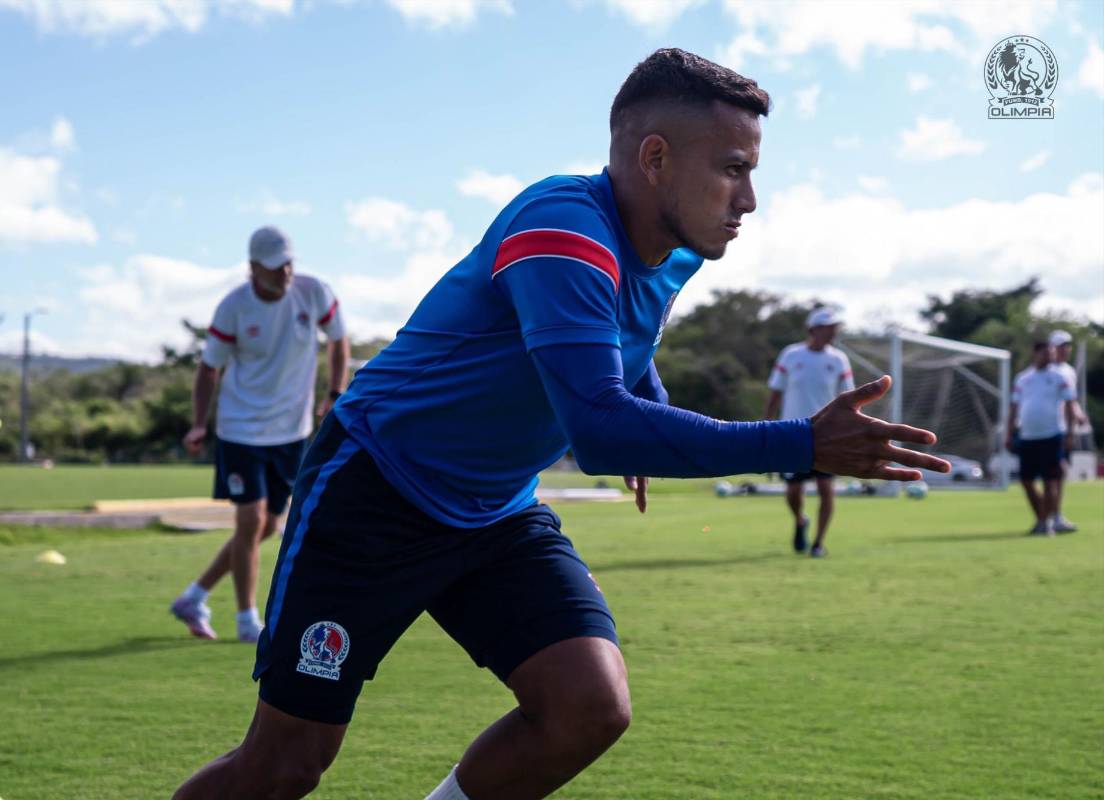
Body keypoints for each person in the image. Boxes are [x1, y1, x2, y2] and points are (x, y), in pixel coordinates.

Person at [173, 49, 947, 800]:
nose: (748, 200)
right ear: (654, 158)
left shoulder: (674, 249)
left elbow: (623, 337)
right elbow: (600, 434)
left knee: (588, 707)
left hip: (495, 509)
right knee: (284, 769)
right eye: (734, 169)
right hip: (377, 490)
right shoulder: (561, 227)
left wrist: (652, 401)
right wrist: (803, 442)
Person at [170, 225, 349, 643]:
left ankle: (194, 596)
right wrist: (199, 423)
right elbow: (208, 368)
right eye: (274, 267)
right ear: (253, 268)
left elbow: (338, 339)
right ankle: (248, 621)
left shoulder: (314, 292)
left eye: (288, 263)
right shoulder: (233, 307)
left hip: (291, 431)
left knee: (267, 525)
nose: (284, 273)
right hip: (240, 429)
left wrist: (335, 393)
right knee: (250, 522)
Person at [763, 307, 855, 558]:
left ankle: (818, 543)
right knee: (793, 492)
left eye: (835, 327)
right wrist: (766, 428)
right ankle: (801, 521)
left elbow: (849, 398)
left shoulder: (838, 360)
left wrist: (849, 431)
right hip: (791, 433)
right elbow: (775, 393)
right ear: (813, 330)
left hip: (826, 435)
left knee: (826, 488)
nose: (833, 331)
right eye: (828, 327)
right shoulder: (791, 355)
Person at [1008, 341, 1076, 536]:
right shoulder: (1023, 378)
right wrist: (1009, 433)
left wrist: (1070, 433)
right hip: (1027, 436)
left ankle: (1046, 523)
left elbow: (1070, 405)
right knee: (1027, 480)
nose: (1051, 357)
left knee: (1050, 480)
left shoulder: (1059, 377)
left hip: (1052, 435)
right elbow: (1013, 408)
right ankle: (1042, 519)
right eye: (1047, 353)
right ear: (1036, 354)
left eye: (1053, 354)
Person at [1047, 329, 1084, 531]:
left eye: (1067, 346)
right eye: (1061, 346)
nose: (1065, 349)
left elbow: (1071, 400)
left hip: (1061, 429)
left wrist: (1077, 414)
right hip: (1045, 430)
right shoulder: (1044, 369)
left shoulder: (1069, 371)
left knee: (1058, 472)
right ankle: (1049, 517)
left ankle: (1055, 516)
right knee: (1051, 473)